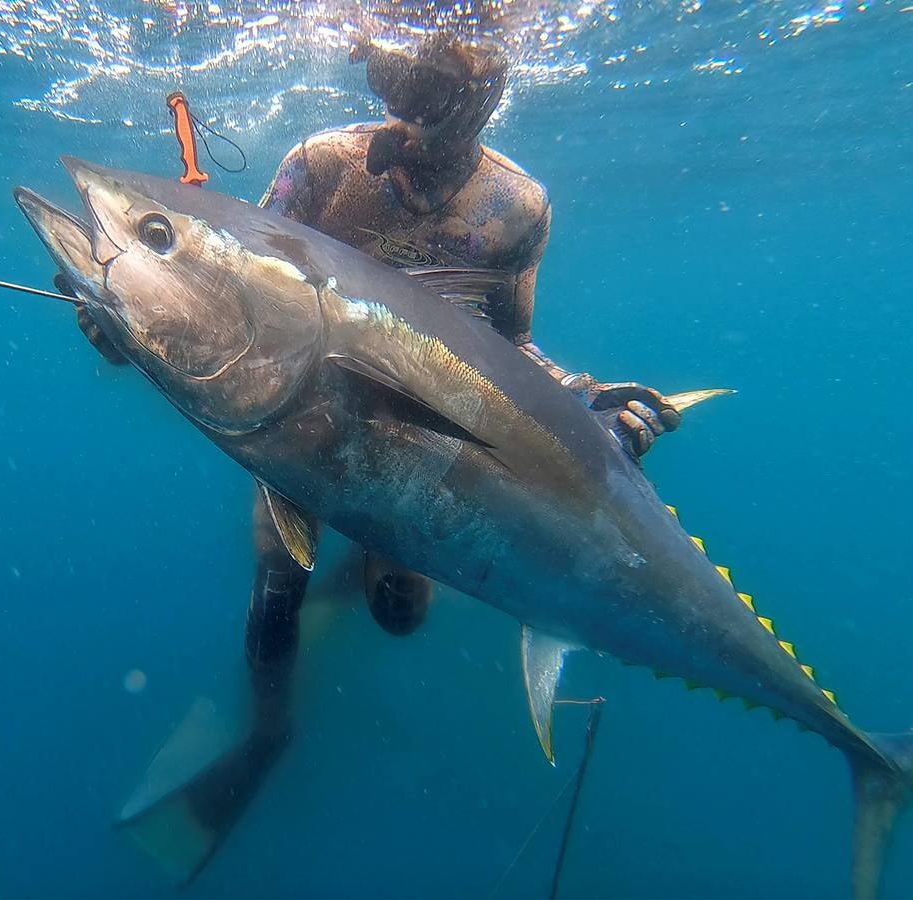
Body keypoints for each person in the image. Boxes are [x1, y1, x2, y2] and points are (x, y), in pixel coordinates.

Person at [71, 32, 685, 884]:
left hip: (419, 443)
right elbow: (224, 288)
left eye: (430, 93)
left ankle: (359, 567)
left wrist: (588, 399)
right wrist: (126, 327)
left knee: (401, 613)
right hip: (297, 425)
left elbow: (509, 349)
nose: (400, 115)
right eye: (396, 85)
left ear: (484, 99)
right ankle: (268, 732)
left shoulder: (514, 208)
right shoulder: (323, 166)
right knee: (275, 580)